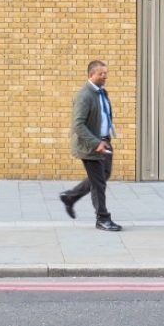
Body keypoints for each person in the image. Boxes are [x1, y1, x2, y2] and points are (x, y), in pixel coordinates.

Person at [59, 59, 122, 231]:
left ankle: (70, 196)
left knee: (104, 175)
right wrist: (96, 143)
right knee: (99, 183)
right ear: (91, 74)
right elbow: (78, 125)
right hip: (91, 146)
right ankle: (102, 218)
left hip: (104, 141)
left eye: (106, 73)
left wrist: (105, 138)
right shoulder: (84, 96)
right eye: (101, 74)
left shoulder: (102, 93)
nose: (105, 76)